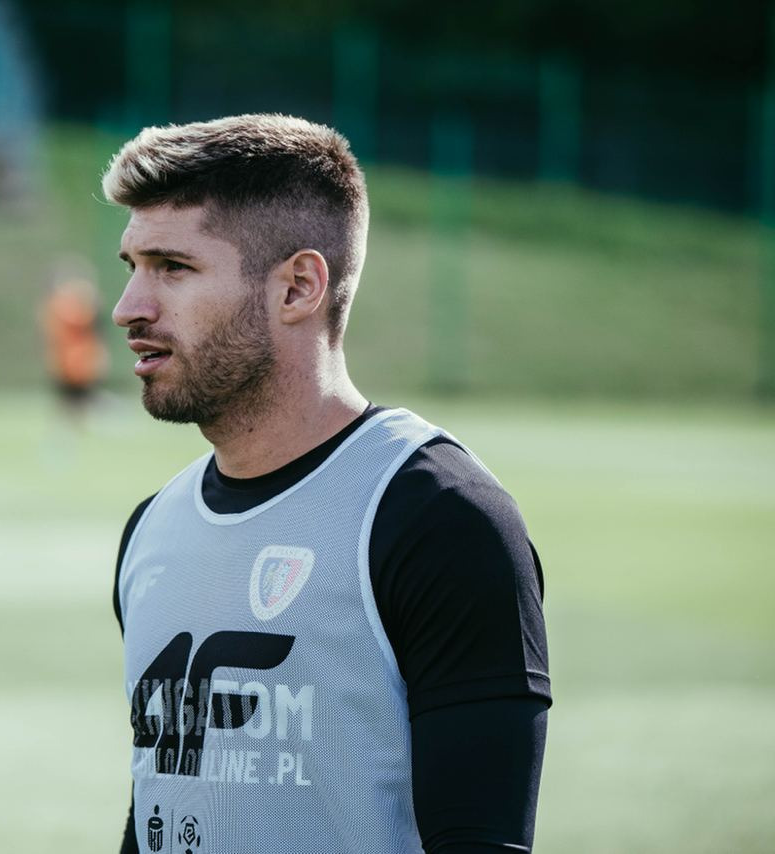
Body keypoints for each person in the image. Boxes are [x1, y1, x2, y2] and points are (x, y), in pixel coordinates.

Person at [105, 115, 550, 853]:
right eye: (132, 266)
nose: (128, 308)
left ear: (298, 287)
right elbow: (160, 804)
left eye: (172, 267)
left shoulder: (438, 518)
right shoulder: (152, 529)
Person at [40, 269, 109, 427]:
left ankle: (80, 425)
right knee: (74, 399)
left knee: (79, 398)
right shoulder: (60, 306)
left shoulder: (60, 305)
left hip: (78, 361)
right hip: (70, 362)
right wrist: (92, 302)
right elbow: (79, 320)